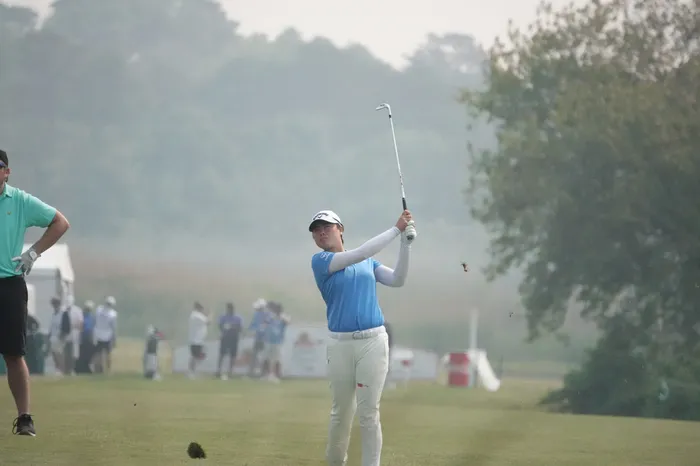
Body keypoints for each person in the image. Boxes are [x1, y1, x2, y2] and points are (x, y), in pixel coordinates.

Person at [310, 209, 415, 466]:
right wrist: (396, 229)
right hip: (340, 344)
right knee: (341, 414)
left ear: (340, 229)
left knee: (369, 414)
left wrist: (405, 244)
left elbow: (398, 279)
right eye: (316, 230)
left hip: (373, 341)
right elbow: (361, 253)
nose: (321, 232)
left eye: (327, 227)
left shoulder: (369, 264)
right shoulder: (321, 261)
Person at [0, 149, 70, 436]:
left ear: (6, 172)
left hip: (9, 283)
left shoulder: (19, 201)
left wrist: (33, 252)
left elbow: (60, 223)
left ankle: (24, 418)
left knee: (14, 354)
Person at [261, 301, 290, 383]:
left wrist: (281, 317)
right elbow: (265, 323)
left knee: (274, 359)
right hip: (268, 340)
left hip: (277, 341)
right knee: (266, 358)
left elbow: (288, 322)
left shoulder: (283, 317)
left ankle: (273, 375)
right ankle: (266, 375)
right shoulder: (271, 316)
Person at [216, 302, 243, 380]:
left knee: (232, 355)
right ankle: (218, 371)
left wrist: (233, 327)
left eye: (231, 308)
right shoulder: (223, 317)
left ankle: (230, 372)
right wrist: (225, 329)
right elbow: (220, 326)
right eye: (228, 308)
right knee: (222, 354)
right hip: (225, 337)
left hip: (234, 337)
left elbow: (240, 328)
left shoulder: (238, 318)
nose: (230, 310)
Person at [92, 296, 117, 374]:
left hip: (98, 334)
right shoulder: (113, 314)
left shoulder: (99, 310)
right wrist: (114, 339)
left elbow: (95, 321)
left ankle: (98, 370)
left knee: (98, 353)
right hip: (107, 336)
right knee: (108, 354)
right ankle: (108, 370)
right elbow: (113, 327)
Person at [246, 298, 270, 377]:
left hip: (263, 339)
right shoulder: (258, 314)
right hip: (259, 338)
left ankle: (262, 372)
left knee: (262, 355)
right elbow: (253, 325)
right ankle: (253, 372)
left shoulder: (266, 314)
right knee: (255, 355)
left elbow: (266, 325)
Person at [188, 302, 209, 379]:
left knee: (197, 356)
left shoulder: (194, 315)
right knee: (196, 357)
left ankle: (192, 371)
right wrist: (210, 314)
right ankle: (192, 372)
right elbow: (208, 322)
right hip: (197, 340)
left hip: (197, 340)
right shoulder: (197, 315)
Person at [47, 297, 65, 376]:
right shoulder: (53, 314)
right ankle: (57, 368)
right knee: (54, 353)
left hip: (59, 336)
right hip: (53, 336)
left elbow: (65, 326)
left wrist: (62, 335)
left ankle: (61, 369)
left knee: (59, 353)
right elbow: (51, 326)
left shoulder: (62, 313)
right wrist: (49, 334)